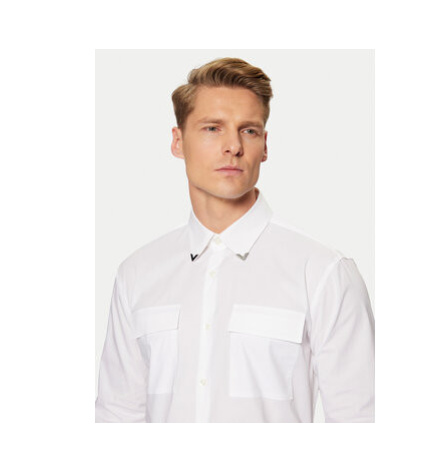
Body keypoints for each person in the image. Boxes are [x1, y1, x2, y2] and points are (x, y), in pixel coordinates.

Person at [95, 57, 375, 423]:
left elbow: (360, 420)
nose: (233, 146)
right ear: (178, 141)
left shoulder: (323, 272)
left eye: (249, 130)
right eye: (212, 128)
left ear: (265, 145)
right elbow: (117, 417)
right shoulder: (137, 273)